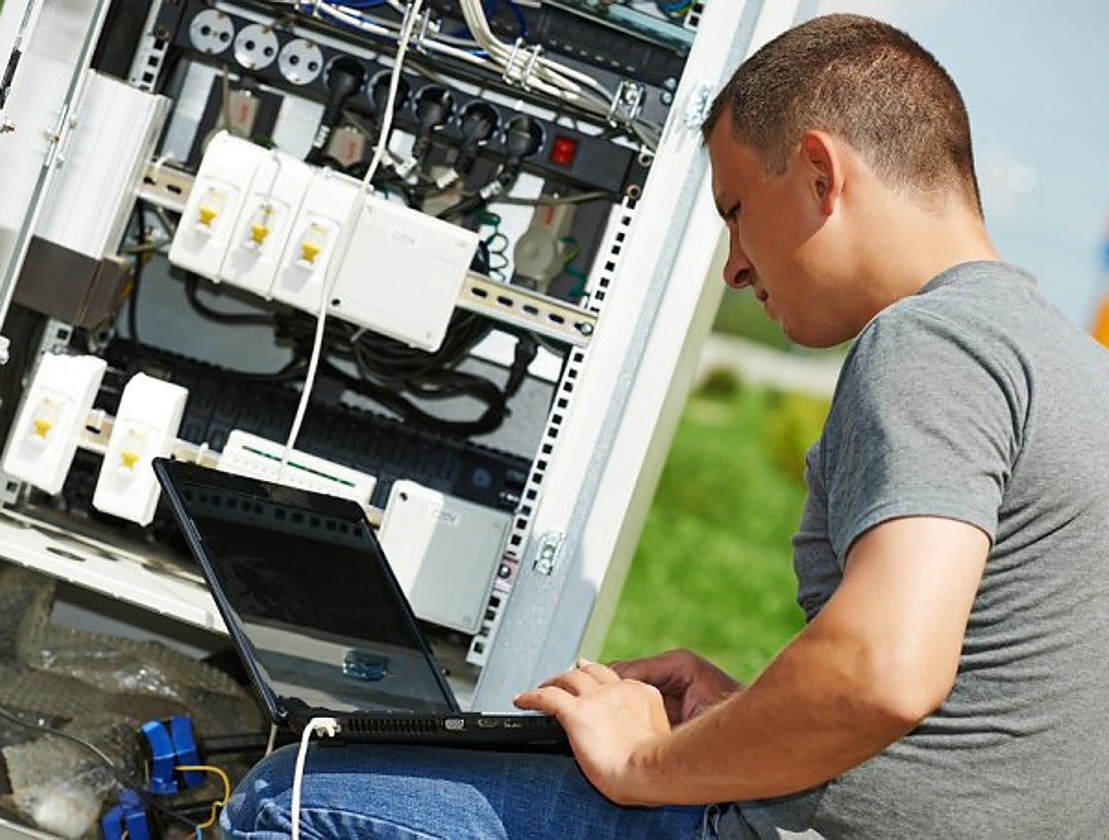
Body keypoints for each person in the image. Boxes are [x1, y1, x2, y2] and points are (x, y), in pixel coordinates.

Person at [220, 13, 1109, 838]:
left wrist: (648, 762)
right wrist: (744, 722)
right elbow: (996, 723)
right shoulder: (1073, 370)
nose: (734, 267)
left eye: (734, 212)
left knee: (288, 793)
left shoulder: (930, 342)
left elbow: (886, 668)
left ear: (819, 174)